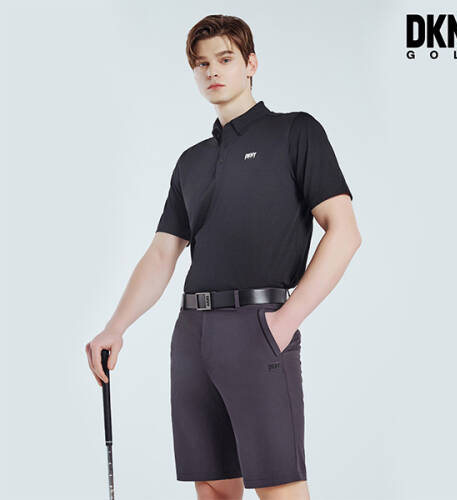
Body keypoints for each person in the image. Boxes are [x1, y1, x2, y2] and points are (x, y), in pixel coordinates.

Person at [86, 14, 361, 500]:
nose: (212, 71)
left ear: (251, 63)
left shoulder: (295, 132)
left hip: (260, 328)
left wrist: (285, 322)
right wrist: (115, 327)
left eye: (225, 59)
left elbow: (344, 232)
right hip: (192, 335)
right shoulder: (191, 161)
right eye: (201, 64)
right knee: (213, 488)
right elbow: (162, 253)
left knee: (280, 489)